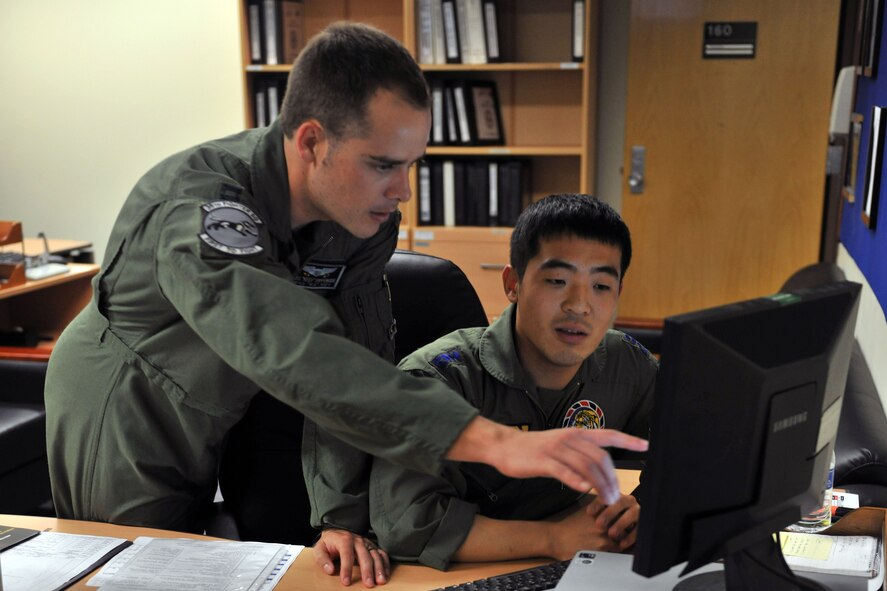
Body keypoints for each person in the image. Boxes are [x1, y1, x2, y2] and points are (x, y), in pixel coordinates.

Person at [43, 23, 646, 588]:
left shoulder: (361, 216)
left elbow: (354, 358)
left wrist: (338, 516)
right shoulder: (204, 206)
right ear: (311, 142)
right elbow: (293, 348)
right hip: (135, 399)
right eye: (383, 164)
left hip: (244, 394)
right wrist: (490, 440)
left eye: (411, 165)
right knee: (144, 570)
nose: (402, 190)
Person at [365, 194, 658, 571]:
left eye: (601, 286)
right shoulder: (438, 379)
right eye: (557, 280)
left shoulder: (626, 362)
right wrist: (555, 539)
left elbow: (684, 454)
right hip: (450, 573)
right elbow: (407, 524)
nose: (580, 305)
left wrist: (639, 511)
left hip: (565, 563)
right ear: (513, 283)